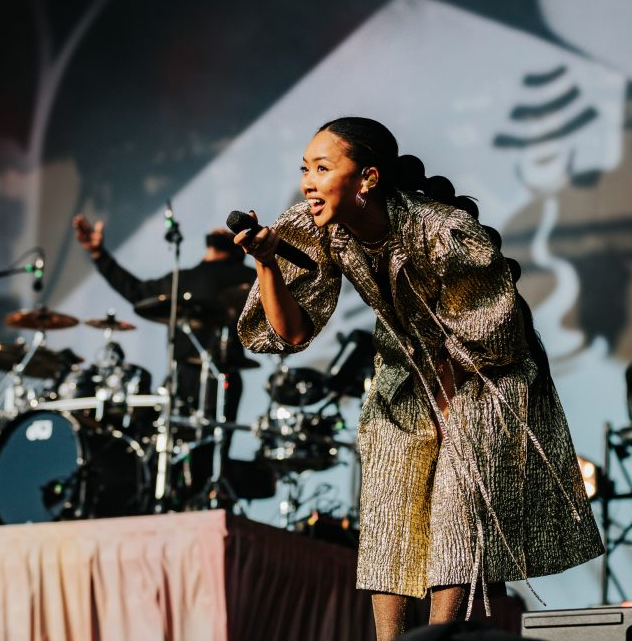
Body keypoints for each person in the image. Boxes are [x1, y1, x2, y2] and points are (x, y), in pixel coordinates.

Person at [235, 117, 603, 639]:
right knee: (390, 514)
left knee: (454, 513)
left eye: (322, 168)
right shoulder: (315, 226)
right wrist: (266, 263)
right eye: (305, 170)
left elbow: (492, 333)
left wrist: (449, 408)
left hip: (482, 370)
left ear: (367, 178)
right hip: (404, 372)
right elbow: (291, 334)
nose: (308, 183)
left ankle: (439, 638)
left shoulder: (440, 230)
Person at [73, 215, 258, 502]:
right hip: (181, 376)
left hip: (220, 376)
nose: (218, 228)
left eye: (226, 231)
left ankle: (208, 498)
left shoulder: (249, 278)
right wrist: (99, 255)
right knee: (166, 446)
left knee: (210, 457)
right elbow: (136, 291)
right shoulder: (182, 278)